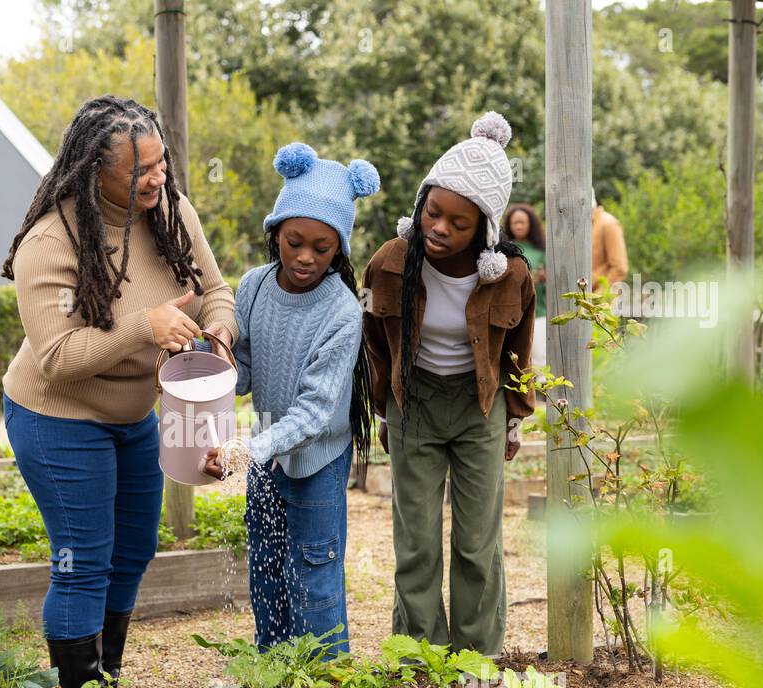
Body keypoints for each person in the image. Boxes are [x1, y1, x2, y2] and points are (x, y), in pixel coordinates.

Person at [0, 95, 238, 688]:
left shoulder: (171, 212)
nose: (156, 178)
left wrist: (219, 335)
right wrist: (142, 328)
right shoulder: (50, 242)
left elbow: (214, 290)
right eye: (138, 171)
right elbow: (55, 359)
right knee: (84, 558)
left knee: (135, 549)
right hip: (57, 416)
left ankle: (105, 678)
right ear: (90, 170)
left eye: (160, 163)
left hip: (133, 414)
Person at [362, 112, 536, 655]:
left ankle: (476, 654)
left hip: (478, 406)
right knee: (415, 539)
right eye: (432, 212)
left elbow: (517, 352)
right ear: (421, 205)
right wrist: (384, 411)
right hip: (413, 403)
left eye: (458, 223)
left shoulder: (510, 276)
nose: (439, 228)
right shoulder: (389, 265)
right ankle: (418, 653)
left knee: (477, 539)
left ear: (484, 227)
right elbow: (374, 342)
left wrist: (514, 418)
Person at [201, 143, 379, 658]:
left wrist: (250, 449)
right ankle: (274, 664)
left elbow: (317, 410)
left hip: (316, 457)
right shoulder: (254, 287)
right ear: (275, 232)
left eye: (322, 248)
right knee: (267, 560)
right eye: (294, 240)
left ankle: (325, 678)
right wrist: (207, 363)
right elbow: (245, 372)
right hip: (264, 453)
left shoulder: (342, 311)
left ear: (339, 250)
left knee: (314, 569)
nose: (305, 256)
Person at [503, 202, 547, 367]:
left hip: (539, 312)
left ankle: (541, 392)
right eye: (515, 222)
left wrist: (543, 278)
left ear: (531, 224)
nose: (519, 226)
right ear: (509, 225)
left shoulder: (542, 250)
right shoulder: (505, 250)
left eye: (523, 222)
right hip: (511, 313)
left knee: (539, 358)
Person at [591, 192, 628, 288]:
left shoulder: (608, 223)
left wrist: (598, 298)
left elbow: (619, 268)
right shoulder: (581, 226)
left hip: (599, 299)